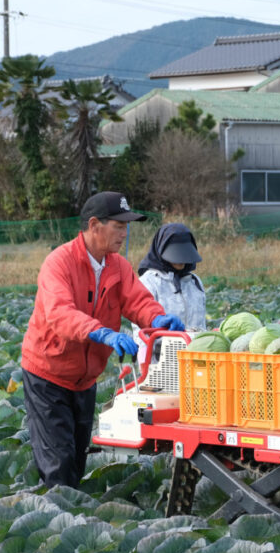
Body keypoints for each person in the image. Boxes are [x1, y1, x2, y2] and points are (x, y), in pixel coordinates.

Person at [19, 191, 186, 489]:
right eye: (118, 226)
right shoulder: (59, 263)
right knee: (59, 462)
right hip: (48, 374)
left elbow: (137, 301)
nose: (125, 232)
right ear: (94, 225)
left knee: (77, 460)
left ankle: (67, 511)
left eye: (127, 226)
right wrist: (102, 332)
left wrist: (157, 319)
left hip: (85, 379)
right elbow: (59, 313)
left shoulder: (118, 266)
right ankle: (56, 518)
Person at [132, 222, 206, 363]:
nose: (181, 260)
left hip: (194, 359)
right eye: (176, 254)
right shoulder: (149, 282)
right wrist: (146, 364)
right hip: (161, 362)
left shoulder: (194, 282)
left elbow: (201, 324)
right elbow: (140, 331)